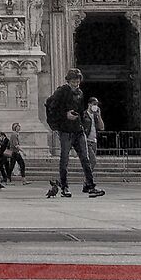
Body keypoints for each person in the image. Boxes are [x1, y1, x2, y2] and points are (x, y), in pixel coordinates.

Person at [45, 68, 100, 197]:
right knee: (64, 160)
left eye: (78, 81)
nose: (76, 84)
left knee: (85, 159)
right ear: (68, 81)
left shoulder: (80, 93)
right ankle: (64, 187)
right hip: (65, 131)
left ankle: (90, 186)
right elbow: (50, 106)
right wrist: (65, 115)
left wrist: (83, 121)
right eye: (73, 82)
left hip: (78, 129)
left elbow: (81, 111)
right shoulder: (61, 91)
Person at [81, 95, 105, 181]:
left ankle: (86, 179)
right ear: (89, 104)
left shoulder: (95, 116)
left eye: (97, 104)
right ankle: (88, 179)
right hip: (86, 141)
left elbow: (102, 127)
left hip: (94, 141)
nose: (96, 106)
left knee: (90, 162)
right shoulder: (84, 115)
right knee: (93, 160)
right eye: (94, 104)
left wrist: (99, 116)